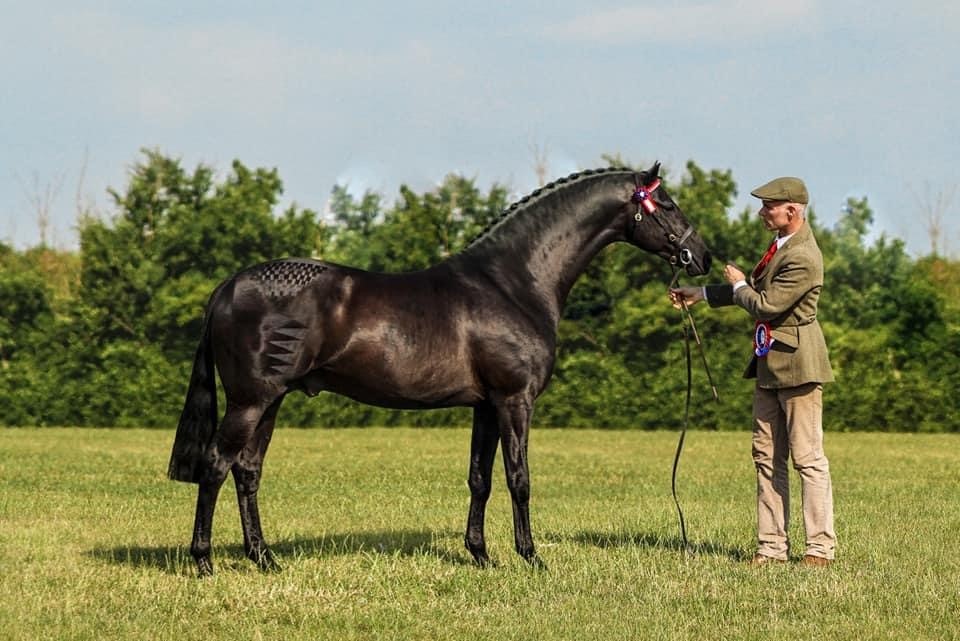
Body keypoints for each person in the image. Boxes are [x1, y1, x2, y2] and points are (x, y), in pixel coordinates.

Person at [669, 176, 836, 567]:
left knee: (808, 459)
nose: (762, 212)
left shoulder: (803, 256)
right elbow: (756, 294)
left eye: (769, 207)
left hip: (799, 365)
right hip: (768, 364)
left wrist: (740, 282)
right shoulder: (782, 246)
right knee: (766, 456)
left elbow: (766, 305)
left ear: (791, 211)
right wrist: (703, 293)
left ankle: (819, 549)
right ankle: (772, 548)